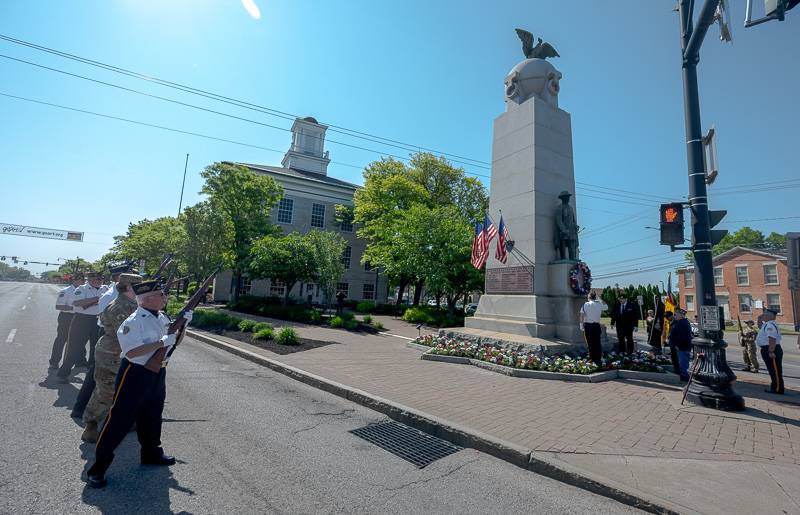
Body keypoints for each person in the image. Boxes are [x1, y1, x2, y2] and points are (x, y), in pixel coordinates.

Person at [85, 280, 192, 488]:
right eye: (161, 294)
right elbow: (132, 352)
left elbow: (174, 343)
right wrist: (162, 342)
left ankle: (151, 453)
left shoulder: (162, 317)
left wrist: (184, 326)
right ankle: (98, 468)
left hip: (157, 371)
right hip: (134, 373)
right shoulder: (133, 321)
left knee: (153, 414)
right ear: (147, 299)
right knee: (119, 419)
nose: (165, 297)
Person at [81, 273, 143, 443]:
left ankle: (122, 421)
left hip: (124, 353)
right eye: (138, 287)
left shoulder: (133, 304)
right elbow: (125, 334)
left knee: (123, 389)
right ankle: (91, 425)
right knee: (106, 390)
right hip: (112, 354)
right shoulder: (119, 307)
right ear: (129, 287)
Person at [57, 271, 108, 385]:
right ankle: (63, 374)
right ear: (90, 280)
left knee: (97, 349)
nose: (99, 281)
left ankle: (92, 377)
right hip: (82, 320)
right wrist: (97, 298)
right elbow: (78, 303)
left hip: (98, 320)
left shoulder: (105, 289)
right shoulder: (82, 288)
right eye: (97, 279)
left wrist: (95, 301)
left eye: (101, 279)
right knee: (74, 348)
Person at [48, 273, 83, 371]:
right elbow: (58, 306)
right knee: (61, 339)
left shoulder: (85, 291)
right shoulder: (66, 291)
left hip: (80, 317)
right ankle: (54, 362)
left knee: (78, 341)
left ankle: (79, 362)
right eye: (78, 279)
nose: (80, 281)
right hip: (67, 317)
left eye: (82, 279)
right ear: (73, 280)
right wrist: (75, 307)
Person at [757, 308, 784, 394]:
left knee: (775, 370)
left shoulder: (770, 325)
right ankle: (775, 387)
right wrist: (759, 318)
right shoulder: (767, 324)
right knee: (772, 370)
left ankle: (778, 389)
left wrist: (771, 351)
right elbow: (760, 326)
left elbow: (772, 339)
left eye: (765, 314)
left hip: (772, 349)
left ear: (771, 316)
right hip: (768, 349)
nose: (763, 315)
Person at [579, 291, 606, 364]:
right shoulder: (600, 304)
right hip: (596, 325)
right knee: (597, 342)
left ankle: (592, 358)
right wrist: (599, 299)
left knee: (590, 343)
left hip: (588, 325)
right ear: (595, 297)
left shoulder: (586, 304)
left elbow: (582, 315)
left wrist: (581, 325)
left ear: (589, 297)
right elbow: (606, 306)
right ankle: (598, 358)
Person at [668, 308, 693, 381]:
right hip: (684, 347)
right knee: (684, 363)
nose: (674, 316)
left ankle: (685, 379)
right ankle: (684, 377)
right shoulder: (682, 322)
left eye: (675, 314)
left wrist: (677, 345)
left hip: (682, 347)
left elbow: (681, 337)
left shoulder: (682, 323)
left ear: (681, 315)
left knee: (683, 364)